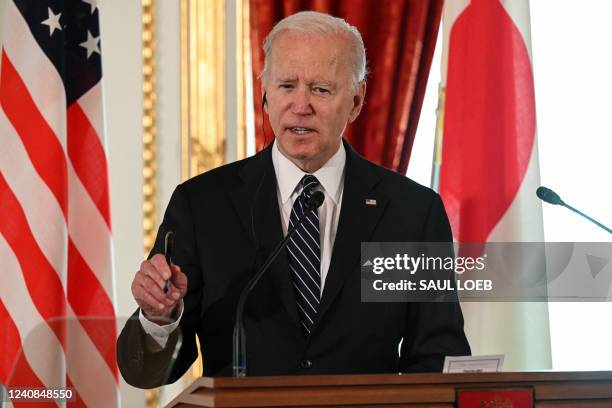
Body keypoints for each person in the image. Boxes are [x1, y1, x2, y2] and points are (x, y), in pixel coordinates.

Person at [117, 11, 470, 388]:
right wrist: (158, 318)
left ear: (355, 100)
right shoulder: (202, 206)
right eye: (287, 85)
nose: (301, 105)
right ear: (265, 92)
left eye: (321, 89)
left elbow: (438, 355)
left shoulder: (412, 213)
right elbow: (149, 372)